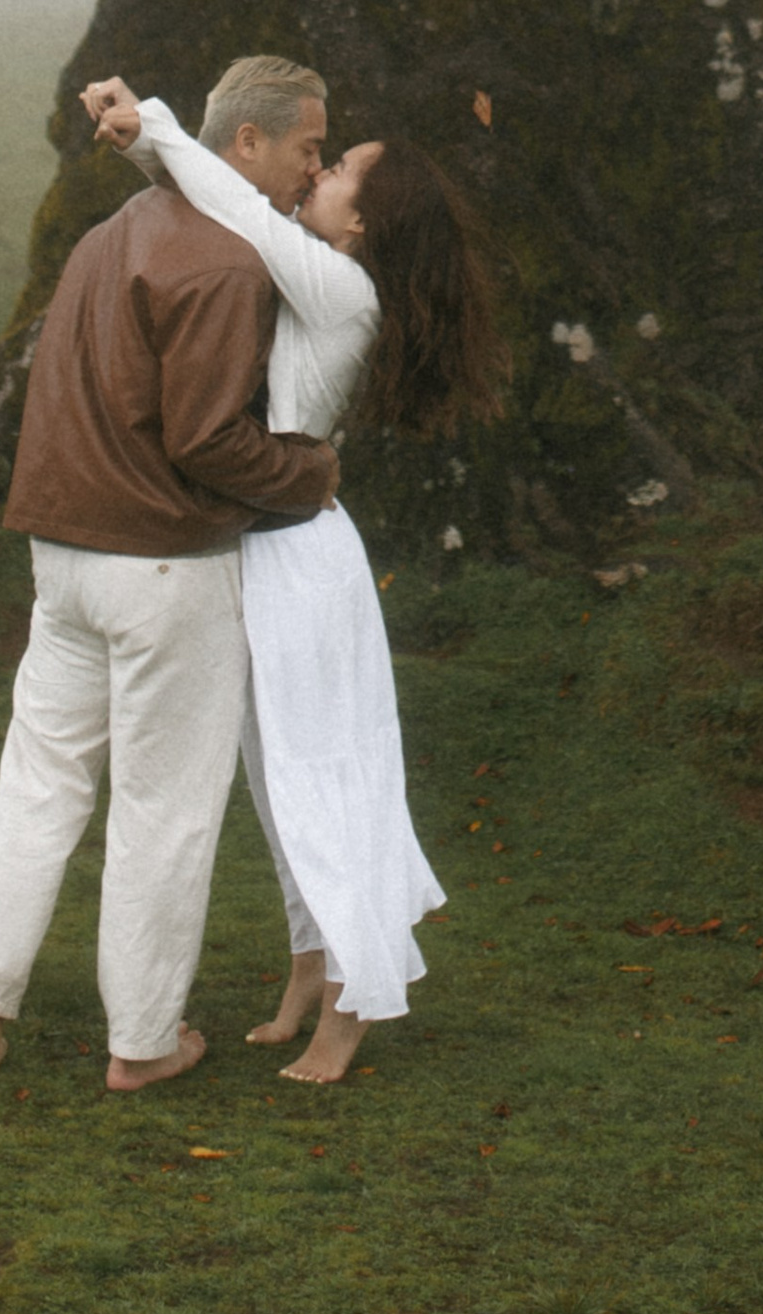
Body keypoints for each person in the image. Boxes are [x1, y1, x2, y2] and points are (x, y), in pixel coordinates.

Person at [0, 56, 342, 1094]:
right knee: (165, 810)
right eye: (309, 148)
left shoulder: (108, 236)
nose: (316, 169)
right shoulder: (231, 264)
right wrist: (312, 473)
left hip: (61, 556)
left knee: (37, 787)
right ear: (246, 141)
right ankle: (145, 1041)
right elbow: (208, 441)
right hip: (163, 567)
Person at [82, 69, 504, 1084]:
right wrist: (145, 141)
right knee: (278, 782)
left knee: (323, 778)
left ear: (364, 224)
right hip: (265, 547)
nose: (318, 171)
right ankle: (310, 965)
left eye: (340, 168)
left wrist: (155, 125)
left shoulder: (341, 287)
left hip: (299, 560)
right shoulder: (317, 264)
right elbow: (223, 196)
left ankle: (357, 1000)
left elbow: (232, 202)